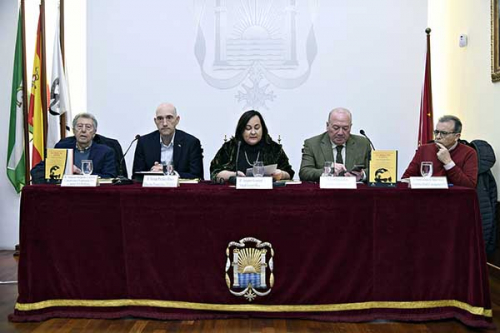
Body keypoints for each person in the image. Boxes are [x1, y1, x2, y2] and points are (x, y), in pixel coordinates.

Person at [210, 110, 295, 182]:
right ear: (241, 130)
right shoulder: (230, 147)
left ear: (263, 129)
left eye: (257, 128)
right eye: (248, 128)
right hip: (235, 195)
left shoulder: (273, 148)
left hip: (268, 196)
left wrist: (281, 174)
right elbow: (214, 172)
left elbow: (289, 173)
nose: (253, 132)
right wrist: (233, 175)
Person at [31, 113, 117, 182]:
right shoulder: (62, 147)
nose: (83, 130)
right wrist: (65, 170)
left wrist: (80, 174)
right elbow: (37, 171)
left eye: (88, 127)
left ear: (94, 132)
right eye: (79, 126)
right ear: (74, 131)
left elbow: (109, 177)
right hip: (64, 195)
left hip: (93, 196)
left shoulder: (105, 152)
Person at [402, 115, 478, 188]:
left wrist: (448, 163)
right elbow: (405, 179)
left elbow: (469, 185)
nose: (438, 137)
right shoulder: (423, 150)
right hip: (425, 197)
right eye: (436, 132)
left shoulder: (469, 153)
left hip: (453, 199)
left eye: (444, 133)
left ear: (457, 136)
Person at [132, 103, 204, 179]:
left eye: (169, 117)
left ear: (177, 120)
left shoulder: (191, 143)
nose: (165, 123)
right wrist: (152, 173)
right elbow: (136, 176)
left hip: (180, 189)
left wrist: (169, 172)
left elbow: (197, 176)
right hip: (153, 189)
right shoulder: (144, 143)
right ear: (155, 121)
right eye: (160, 118)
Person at [299, 107, 371, 182]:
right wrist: (327, 171)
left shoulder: (363, 143)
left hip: (354, 192)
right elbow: (304, 173)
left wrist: (362, 174)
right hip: (324, 192)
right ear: (327, 126)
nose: (340, 133)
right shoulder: (312, 144)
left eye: (345, 128)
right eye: (336, 128)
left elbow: (374, 169)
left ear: (350, 127)